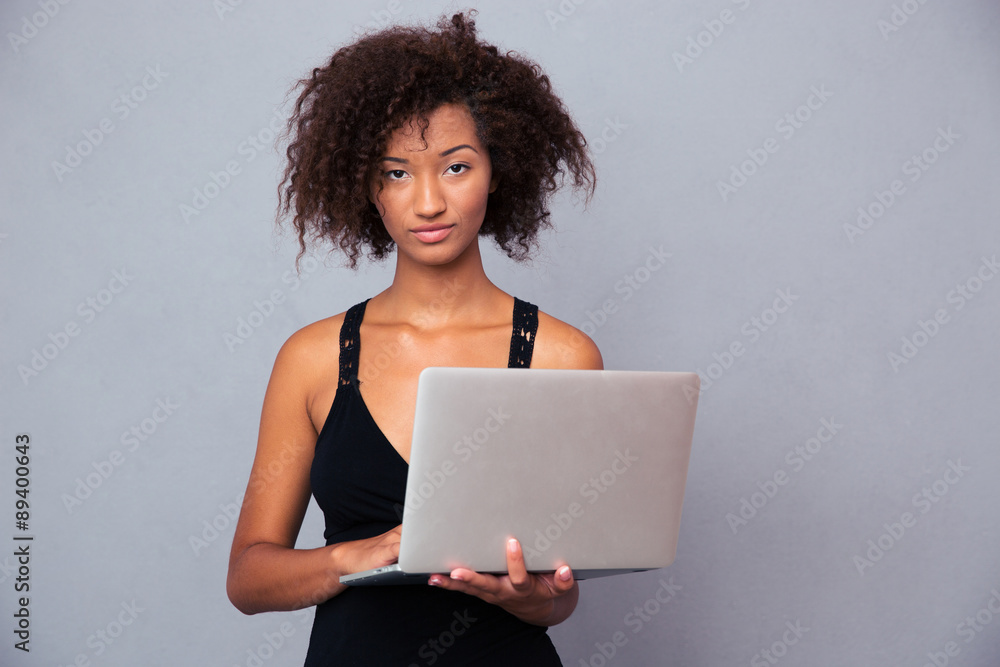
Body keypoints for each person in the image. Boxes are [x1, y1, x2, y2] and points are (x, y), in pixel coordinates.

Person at [226, 11, 602, 665]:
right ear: (364, 186)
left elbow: (561, 595)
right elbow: (248, 577)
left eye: (455, 167)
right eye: (397, 172)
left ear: (498, 171)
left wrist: (529, 596)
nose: (428, 201)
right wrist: (357, 555)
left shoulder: (561, 356)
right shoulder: (312, 359)